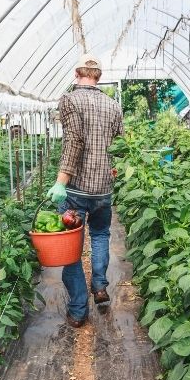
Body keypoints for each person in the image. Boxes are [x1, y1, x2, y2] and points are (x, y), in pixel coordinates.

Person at [45, 53, 124, 328]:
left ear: (76, 74)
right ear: (98, 77)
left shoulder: (69, 99)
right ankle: (100, 285)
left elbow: (74, 142)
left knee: (71, 248)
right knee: (100, 235)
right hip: (103, 187)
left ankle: (79, 310)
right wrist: (114, 170)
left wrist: (61, 181)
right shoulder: (113, 105)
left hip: (77, 188)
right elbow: (119, 145)